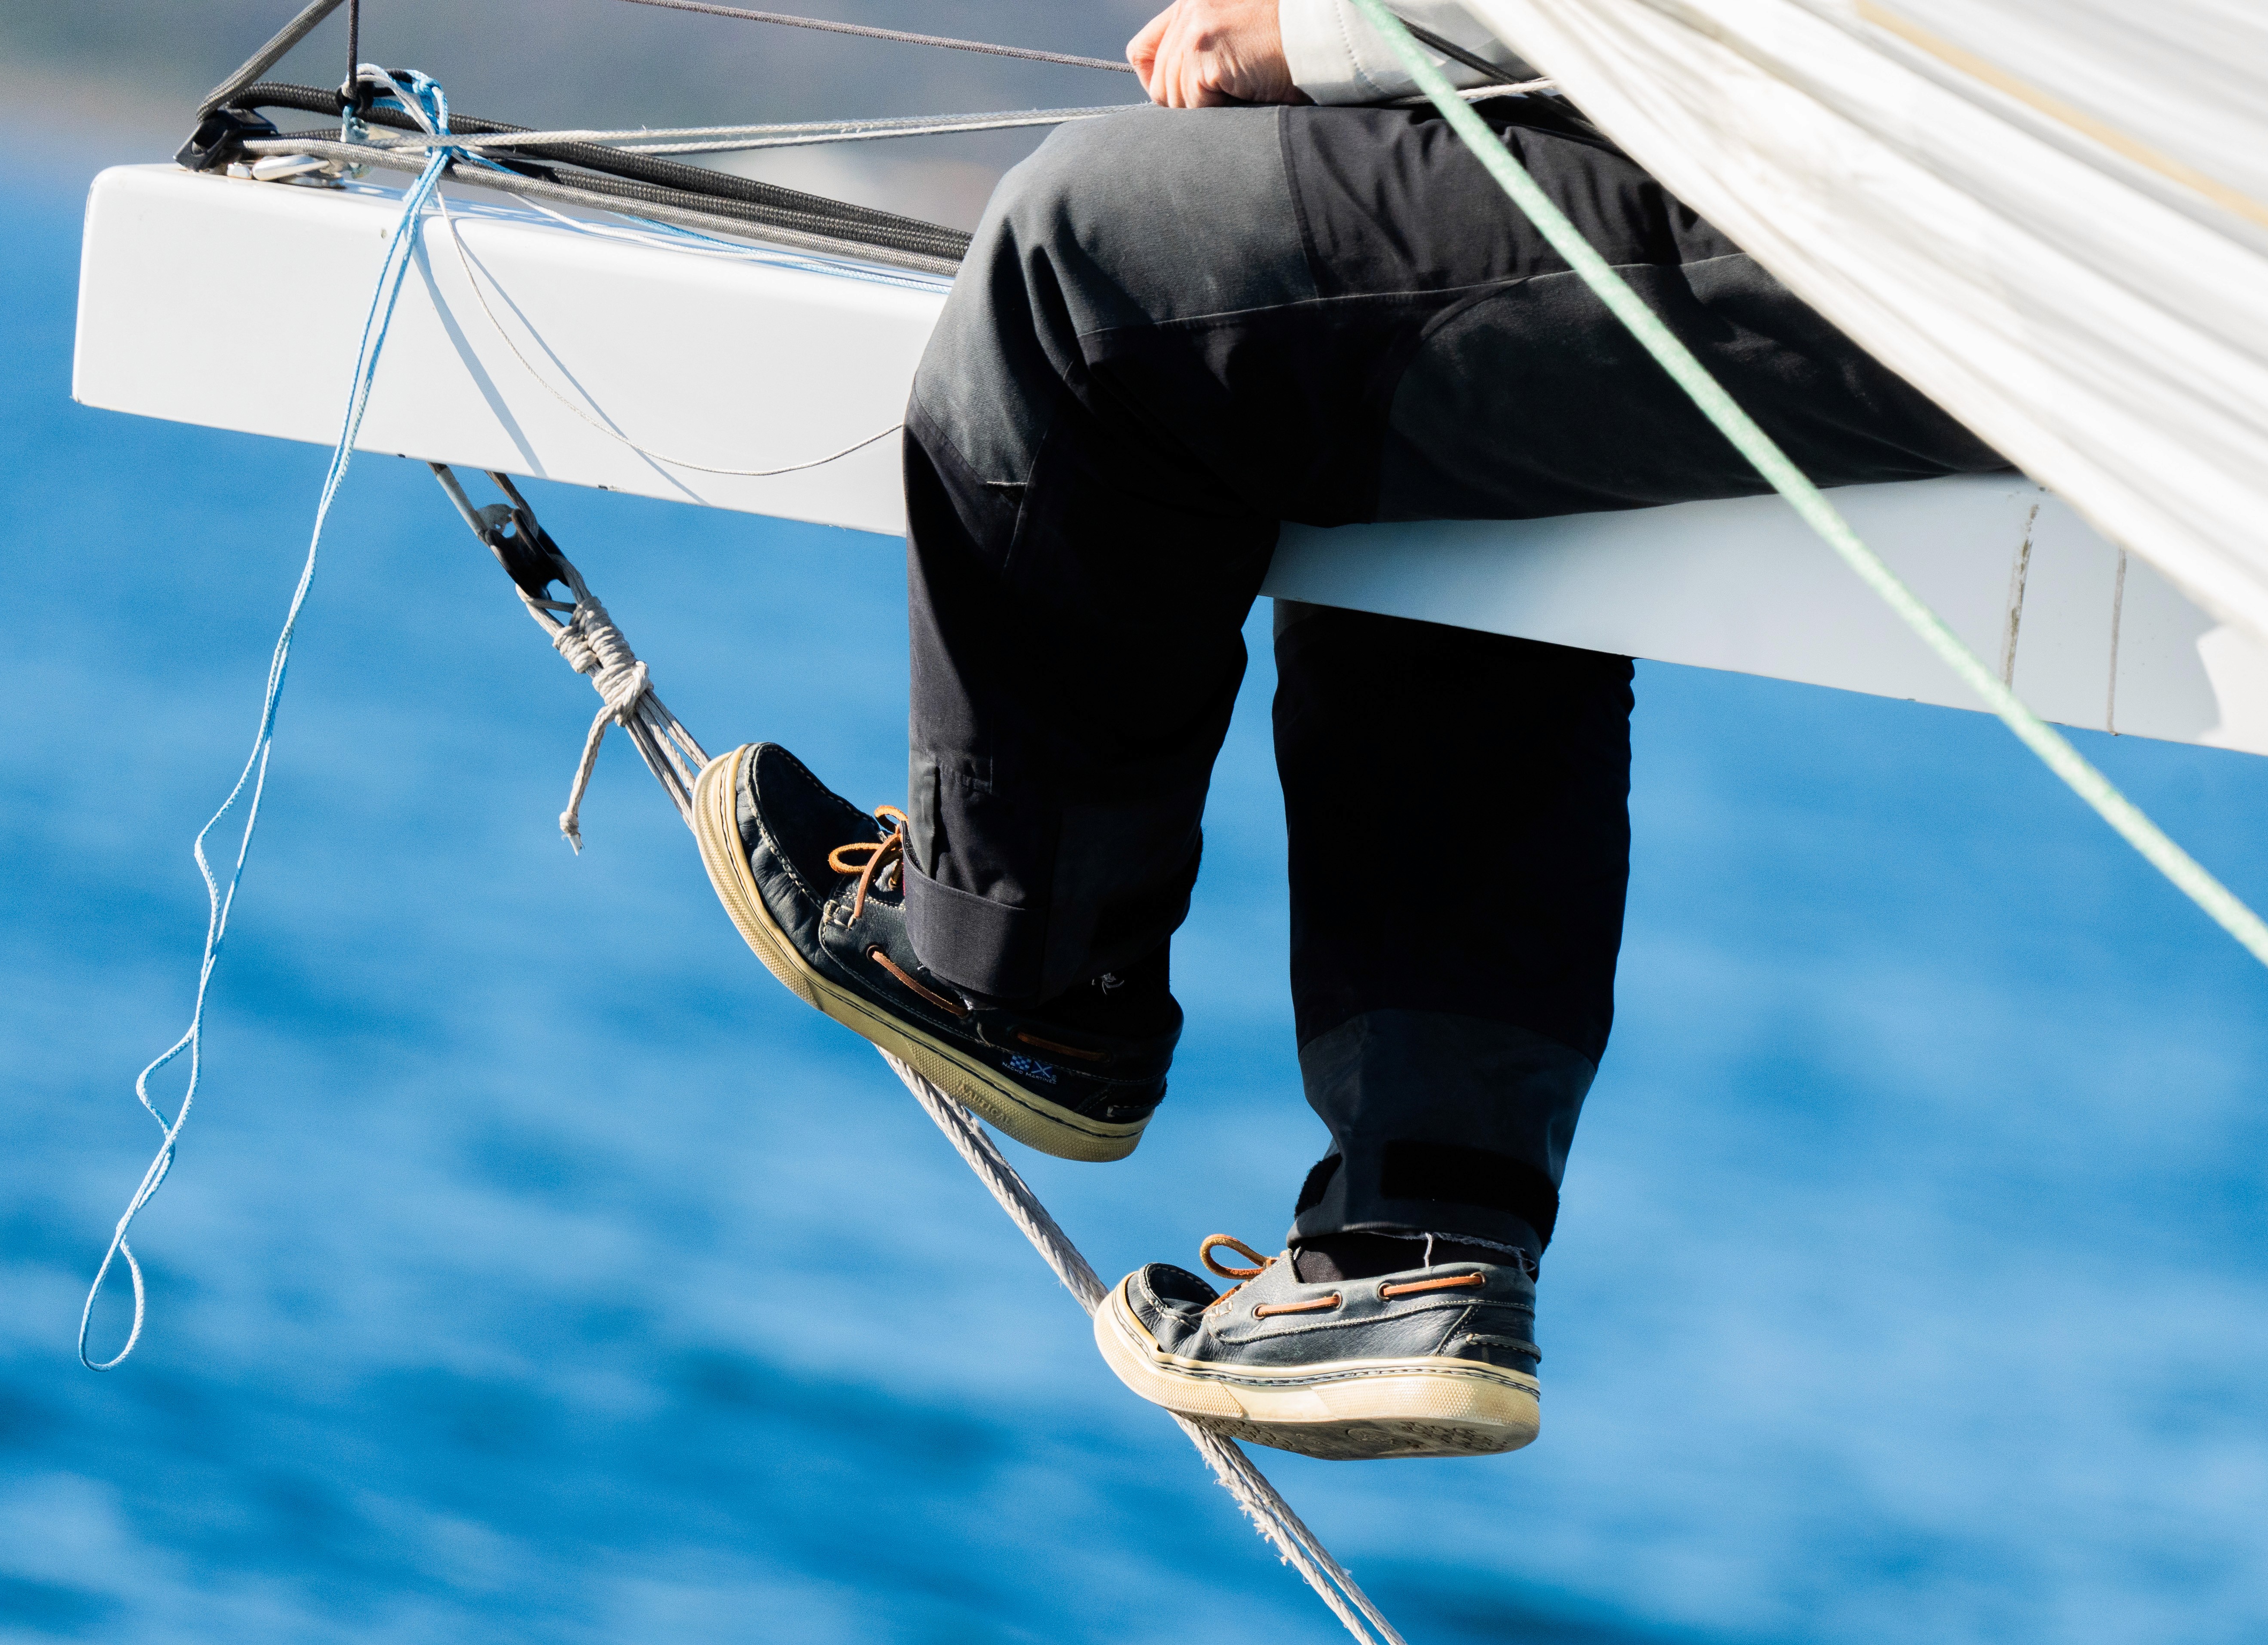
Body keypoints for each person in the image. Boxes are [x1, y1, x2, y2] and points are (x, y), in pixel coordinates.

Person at [690, 0, 2005, 1461]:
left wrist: (1320, 30)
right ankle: (1421, 1232)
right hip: (2036, 242)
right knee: (1415, 360)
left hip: (1901, 214)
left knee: (1077, 255)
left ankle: (1020, 967)